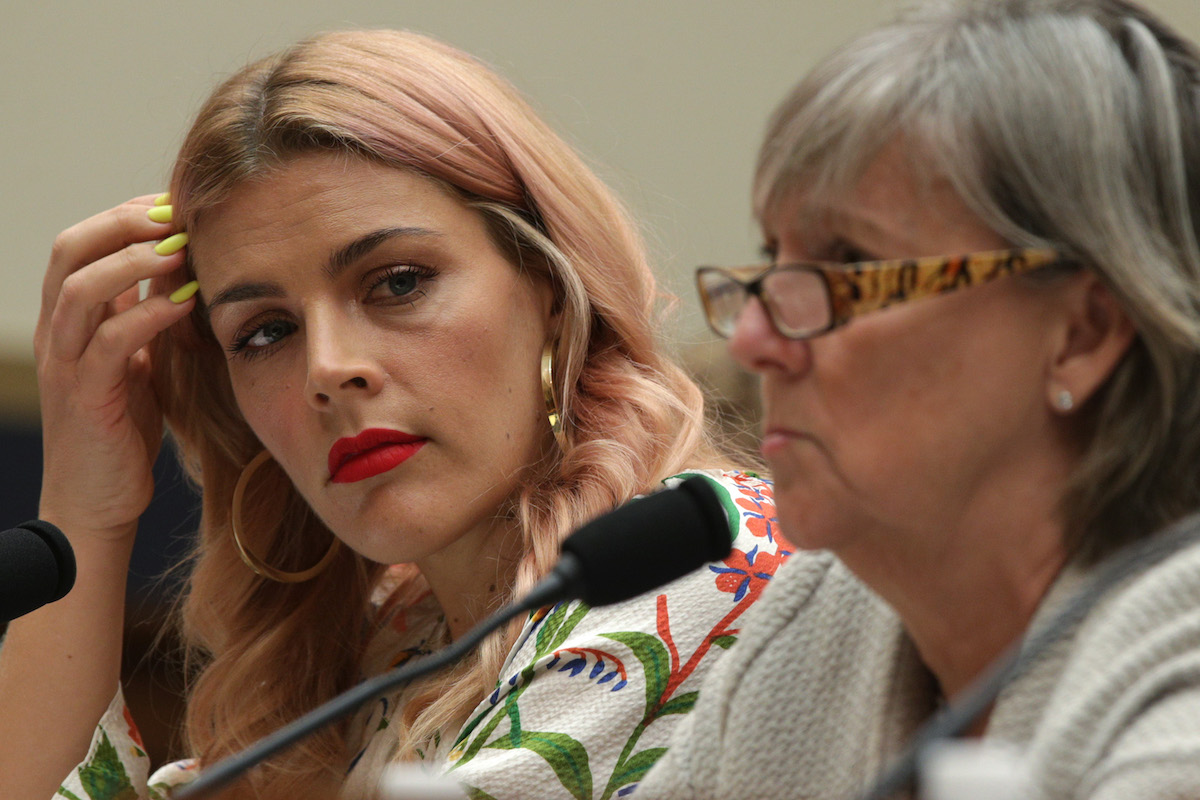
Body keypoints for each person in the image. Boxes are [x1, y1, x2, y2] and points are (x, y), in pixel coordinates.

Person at [0, 30, 790, 800]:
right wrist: (86, 511)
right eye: (266, 332)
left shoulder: (698, 564)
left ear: (550, 286)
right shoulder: (402, 632)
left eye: (398, 282)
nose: (329, 370)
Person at [636, 0, 1200, 798]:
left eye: (845, 266)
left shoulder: (1181, 667)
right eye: (774, 256)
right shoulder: (821, 622)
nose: (752, 340)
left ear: (1081, 333)